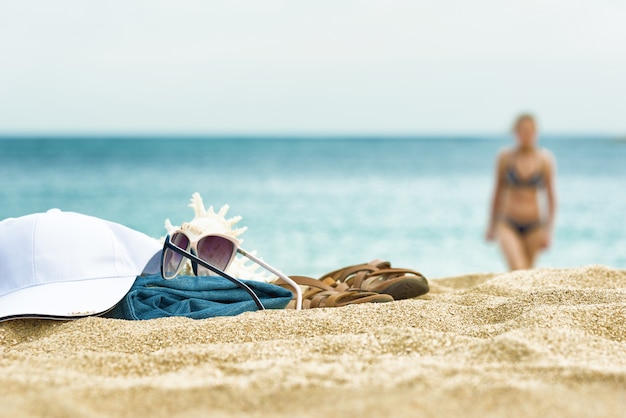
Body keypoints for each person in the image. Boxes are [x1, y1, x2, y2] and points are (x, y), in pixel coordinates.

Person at [486, 113, 557, 270]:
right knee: (518, 268)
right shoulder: (505, 157)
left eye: (530, 130)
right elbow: (497, 192)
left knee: (526, 274)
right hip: (507, 223)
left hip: (535, 225)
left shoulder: (545, 160)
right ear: (515, 132)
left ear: (536, 132)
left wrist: (548, 232)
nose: (526, 135)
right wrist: (491, 225)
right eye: (522, 130)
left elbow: (551, 199)